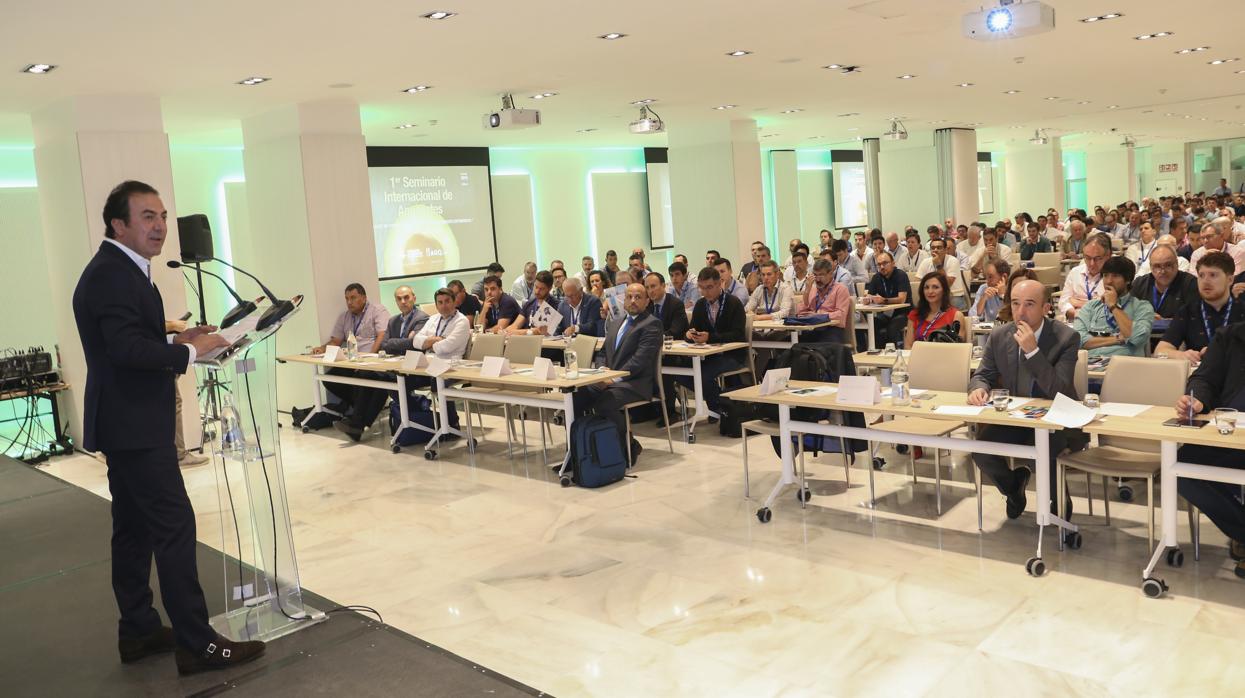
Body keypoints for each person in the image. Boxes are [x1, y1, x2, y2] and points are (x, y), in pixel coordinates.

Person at [72, 180, 264, 673]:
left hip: (126, 422)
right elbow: (123, 351)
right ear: (119, 224)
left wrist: (179, 334)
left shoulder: (122, 270)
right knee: (174, 528)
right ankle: (197, 644)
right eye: (147, 217)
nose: (160, 226)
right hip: (135, 426)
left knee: (133, 531)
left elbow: (129, 335)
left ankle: (138, 629)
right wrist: (187, 351)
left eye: (161, 215)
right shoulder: (113, 275)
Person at [968, 280, 1083, 520]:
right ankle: (1013, 486)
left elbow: (1059, 390)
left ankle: (1059, 502)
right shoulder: (1000, 335)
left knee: (1047, 459)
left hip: (1057, 421)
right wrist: (978, 388)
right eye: (1016, 303)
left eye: (1029, 304)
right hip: (1017, 418)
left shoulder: (1066, 338)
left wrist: (1033, 352)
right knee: (980, 449)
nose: (1021, 312)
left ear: (1045, 308)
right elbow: (982, 374)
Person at [1174, 321, 1245, 579]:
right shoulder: (1230, 336)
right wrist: (1196, 399)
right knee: (1181, 468)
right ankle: (1242, 533)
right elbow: (1204, 378)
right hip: (1229, 431)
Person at [573, 282, 662, 464]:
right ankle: (580, 452)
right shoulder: (615, 323)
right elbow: (603, 353)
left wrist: (613, 378)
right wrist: (600, 373)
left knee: (605, 402)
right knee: (577, 397)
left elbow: (640, 360)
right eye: (629, 296)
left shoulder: (651, 324)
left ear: (647, 301)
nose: (633, 301)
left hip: (634, 383)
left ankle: (627, 446)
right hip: (609, 380)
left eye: (638, 297)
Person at [663, 266, 747, 421]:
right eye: (701, 288)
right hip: (708, 355)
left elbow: (738, 334)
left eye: (709, 287)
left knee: (704, 374)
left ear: (720, 284)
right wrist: (690, 335)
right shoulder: (701, 305)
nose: (705, 292)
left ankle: (717, 409)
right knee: (678, 372)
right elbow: (693, 328)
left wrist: (710, 337)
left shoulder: (733, 303)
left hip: (731, 354)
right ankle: (719, 402)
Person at [1154, 252, 1245, 362]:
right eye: (1201, 275)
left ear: (1230, 280)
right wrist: (1181, 355)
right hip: (1198, 375)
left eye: (1213, 275)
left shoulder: (1241, 309)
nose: (1205, 281)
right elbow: (1160, 351)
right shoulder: (1188, 311)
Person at [1073, 255, 1154, 358]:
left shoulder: (1142, 307)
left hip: (1126, 367)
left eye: (1115, 276)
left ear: (1128, 279)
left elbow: (1136, 337)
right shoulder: (1090, 307)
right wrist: (1118, 338)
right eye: (1106, 275)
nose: (1109, 281)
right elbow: (1079, 341)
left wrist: (1113, 306)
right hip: (1091, 366)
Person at [312, 283, 387, 355]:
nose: (349, 302)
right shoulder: (344, 317)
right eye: (347, 298)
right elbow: (335, 342)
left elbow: (382, 335)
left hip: (370, 360)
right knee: (333, 369)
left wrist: (371, 356)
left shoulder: (377, 310)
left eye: (353, 298)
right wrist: (322, 348)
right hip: (350, 360)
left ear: (364, 298)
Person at [1130, 245, 1197, 322]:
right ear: (1150, 267)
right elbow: (1128, 312)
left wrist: (1164, 321)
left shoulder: (1190, 283)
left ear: (1177, 264)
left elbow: (1195, 318)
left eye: (1168, 265)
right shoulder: (1140, 283)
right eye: (1157, 266)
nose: (1163, 271)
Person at [904, 272, 969, 347]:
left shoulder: (956, 315)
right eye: (926, 287)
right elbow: (908, 346)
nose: (930, 291)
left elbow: (959, 348)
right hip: (919, 356)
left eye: (935, 287)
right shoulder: (915, 314)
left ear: (944, 290)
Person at [862, 251, 911, 347]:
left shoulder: (901, 275)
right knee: (872, 324)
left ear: (893, 263)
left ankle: (891, 354)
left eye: (885, 263)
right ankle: (877, 352)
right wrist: (867, 299)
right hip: (885, 314)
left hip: (903, 313)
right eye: (879, 264)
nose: (882, 267)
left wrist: (884, 300)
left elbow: (902, 299)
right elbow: (869, 295)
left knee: (892, 326)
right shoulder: (877, 277)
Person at [1059, 233, 1111, 320]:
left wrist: (1079, 303)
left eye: (1097, 258)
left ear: (1108, 255)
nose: (1092, 264)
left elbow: (1109, 307)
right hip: (1075, 320)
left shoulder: (1115, 276)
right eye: (1087, 258)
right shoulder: (1075, 272)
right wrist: (1076, 313)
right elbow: (1063, 302)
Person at [797, 258, 851, 343]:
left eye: (821, 275)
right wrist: (807, 291)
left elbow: (840, 315)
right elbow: (800, 312)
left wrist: (818, 315)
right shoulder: (812, 289)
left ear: (830, 274)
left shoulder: (841, 289)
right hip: (812, 329)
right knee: (788, 344)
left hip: (832, 330)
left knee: (817, 349)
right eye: (815, 275)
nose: (817, 279)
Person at [916, 238, 967, 310]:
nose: (935, 250)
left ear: (946, 250)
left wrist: (938, 265)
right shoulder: (926, 262)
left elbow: (947, 284)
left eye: (939, 248)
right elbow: (917, 282)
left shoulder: (953, 261)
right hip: (933, 296)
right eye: (933, 248)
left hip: (953, 296)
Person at [379, 285, 429, 355]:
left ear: (414, 299)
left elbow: (415, 343)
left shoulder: (422, 318)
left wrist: (390, 341)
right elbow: (383, 345)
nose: (403, 301)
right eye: (399, 299)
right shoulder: (392, 321)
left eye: (406, 297)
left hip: (413, 361)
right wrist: (407, 341)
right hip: (394, 360)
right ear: (396, 301)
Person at [507, 270, 559, 335]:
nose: (537, 291)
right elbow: (514, 326)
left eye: (541, 289)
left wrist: (520, 332)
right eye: (536, 287)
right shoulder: (529, 303)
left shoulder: (555, 305)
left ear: (550, 288)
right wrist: (505, 331)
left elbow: (539, 332)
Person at [645, 271, 688, 340]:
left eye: (653, 286)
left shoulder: (676, 304)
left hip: (673, 345)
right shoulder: (646, 305)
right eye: (647, 288)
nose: (650, 291)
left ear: (663, 285)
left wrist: (654, 338)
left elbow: (675, 331)